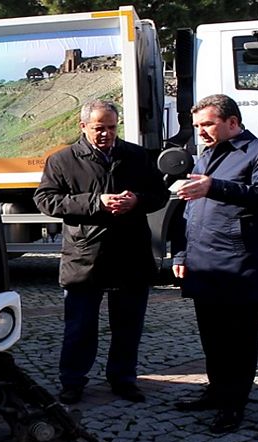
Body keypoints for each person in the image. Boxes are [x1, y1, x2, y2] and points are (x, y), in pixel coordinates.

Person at [33, 99, 169, 405]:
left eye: (111, 127)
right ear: (83, 127)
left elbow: (160, 195)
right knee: (80, 327)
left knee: (128, 325)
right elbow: (46, 201)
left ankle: (123, 378)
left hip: (130, 253)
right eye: (99, 128)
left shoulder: (135, 156)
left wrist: (137, 201)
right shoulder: (62, 160)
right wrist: (96, 202)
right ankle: (73, 381)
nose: (106, 134)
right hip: (85, 256)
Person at [172, 94, 258, 433]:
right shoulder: (205, 156)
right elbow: (188, 212)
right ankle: (216, 391)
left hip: (239, 263)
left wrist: (214, 186)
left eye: (207, 124)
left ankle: (234, 405)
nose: (200, 132)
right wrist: (181, 254)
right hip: (204, 264)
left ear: (232, 122)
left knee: (240, 340)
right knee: (212, 337)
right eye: (197, 126)